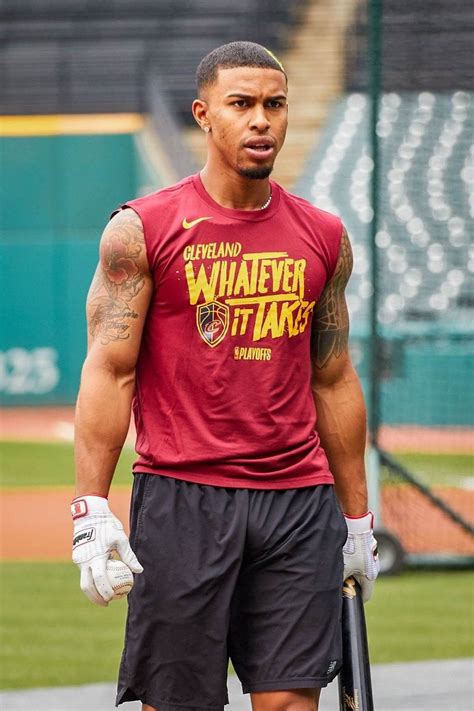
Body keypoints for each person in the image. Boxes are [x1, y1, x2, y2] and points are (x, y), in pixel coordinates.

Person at [71, 41, 379, 711]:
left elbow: (333, 378)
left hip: (297, 500)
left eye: (275, 104)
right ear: (204, 115)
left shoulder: (324, 235)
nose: (261, 120)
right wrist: (91, 507)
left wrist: (357, 519)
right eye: (242, 105)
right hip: (183, 498)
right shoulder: (142, 230)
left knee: (292, 703)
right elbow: (110, 369)